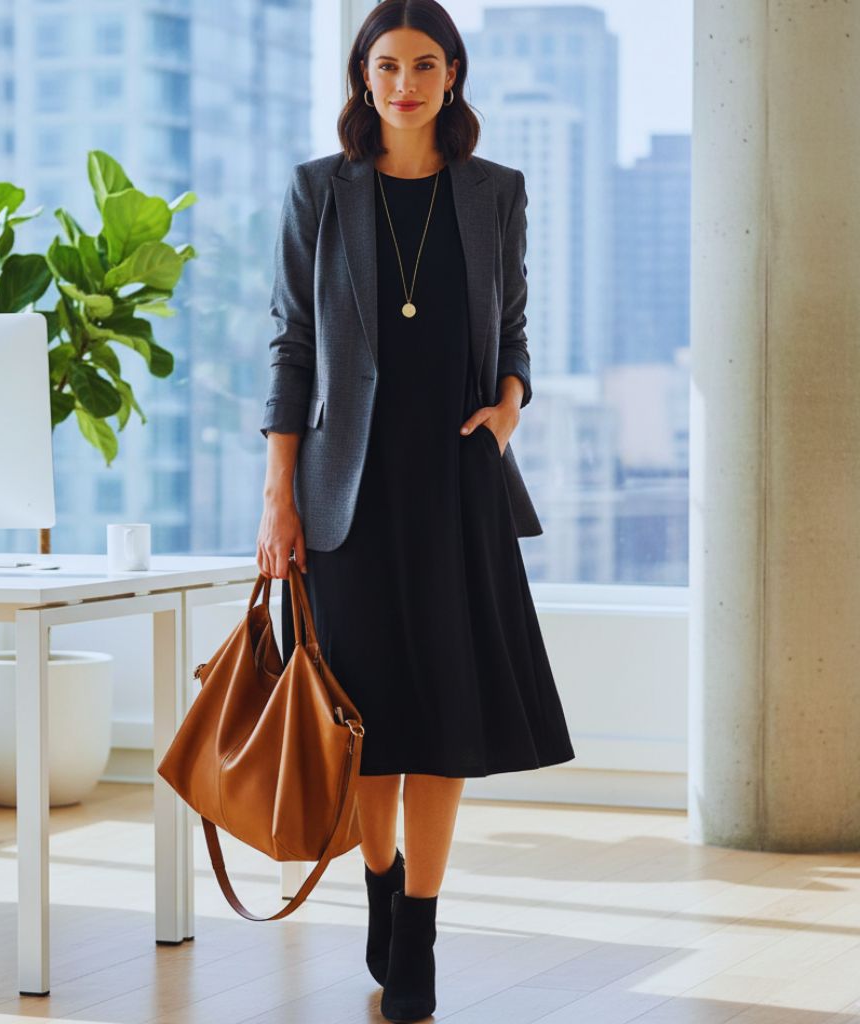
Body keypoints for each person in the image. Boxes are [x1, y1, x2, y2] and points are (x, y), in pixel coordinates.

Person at [256, 2, 575, 1020]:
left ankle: (421, 933)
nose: (404, 83)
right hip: (344, 494)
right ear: (361, 75)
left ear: (453, 74)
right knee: (365, 722)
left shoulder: (495, 192)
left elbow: (514, 325)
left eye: (424, 64)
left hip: (455, 481)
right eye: (386, 65)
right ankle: (380, 887)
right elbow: (291, 346)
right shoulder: (319, 190)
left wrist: (510, 407)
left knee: (442, 715)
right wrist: (277, 498)